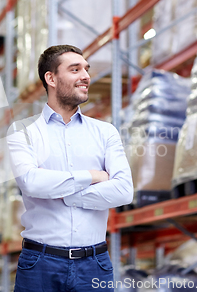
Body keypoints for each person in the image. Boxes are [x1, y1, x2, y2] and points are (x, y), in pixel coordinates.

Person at [7, 45, 133, 292]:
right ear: (51, 78)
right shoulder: (22, 132)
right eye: (75, 69)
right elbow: (32, 182)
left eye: (86, 69)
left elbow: (124, 190)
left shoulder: (105, 132)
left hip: (94, 264)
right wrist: (93, 176)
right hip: (40, 263)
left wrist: (67, 194)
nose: (85, 75)